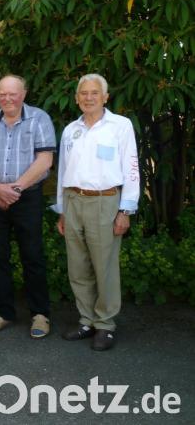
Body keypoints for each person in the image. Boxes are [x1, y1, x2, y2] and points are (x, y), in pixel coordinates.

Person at [55, 74, 139, 351]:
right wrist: (62, 211)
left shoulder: (120, 126)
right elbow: (63, 173)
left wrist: (125, 209)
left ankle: (106, 324)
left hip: (105, 202)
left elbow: (131, 169)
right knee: (77, 267)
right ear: (77, 98)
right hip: (73, 201)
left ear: (106, 97)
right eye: (83, 93)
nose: (88, 97)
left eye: (94, 93)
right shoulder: (71, 130)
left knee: (104, 266)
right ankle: (86, 320)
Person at [0, 74, 55, 338]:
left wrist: (15, 189)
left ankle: (40, 314)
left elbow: (45, 160)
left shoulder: (39, 119)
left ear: (24, 94)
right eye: (2, 93)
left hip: (27, 197)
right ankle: (4, 312)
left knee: (32, 255)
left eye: (13, 93)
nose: (7, 98)